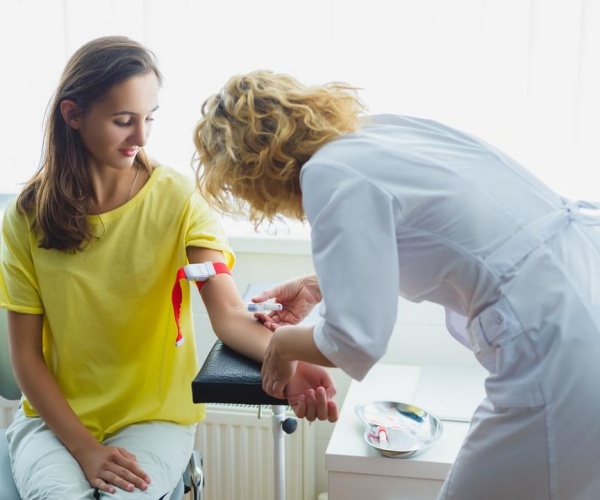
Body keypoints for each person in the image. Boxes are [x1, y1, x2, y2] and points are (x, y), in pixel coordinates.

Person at [192, 69, 600, 499]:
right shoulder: (379, 134)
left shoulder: (329, 176)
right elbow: (437, 234)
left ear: (251, 171)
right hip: (584, 282)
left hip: (557, 347)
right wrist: (318, 285)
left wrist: (283, 346)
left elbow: (356, 341)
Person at [0, 40, 337, 499]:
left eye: (149, 118)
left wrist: (290, 360)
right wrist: (83, 448)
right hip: (53, 423)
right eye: (123, 121)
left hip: (152, 419)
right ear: (73, 115)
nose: (141, 137)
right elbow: (25, 358)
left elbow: (229, 315)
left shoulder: (177, 200)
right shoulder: (26, 217)